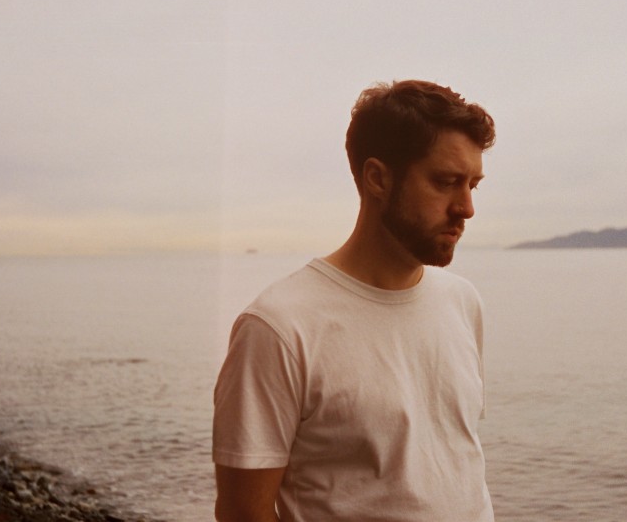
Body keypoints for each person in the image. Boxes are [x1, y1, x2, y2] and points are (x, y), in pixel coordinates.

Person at [213, 79, 497, 522]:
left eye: (472, 185)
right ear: (377, 178)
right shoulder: (280, 327)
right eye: (446, 182)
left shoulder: (462, 302)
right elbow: (242, 513)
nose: (466, 208)